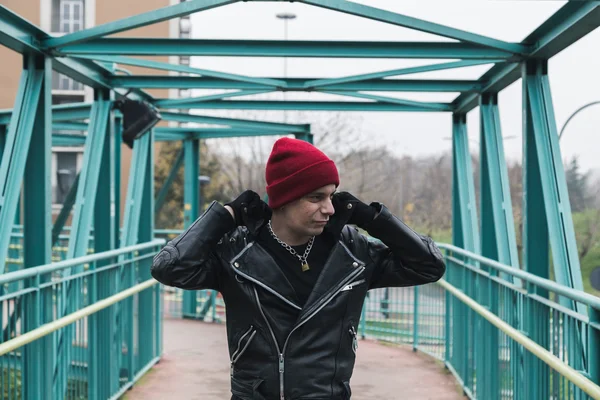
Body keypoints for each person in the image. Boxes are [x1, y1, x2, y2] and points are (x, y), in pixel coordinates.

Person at [151, 137, 446, 400]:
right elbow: (169, 268)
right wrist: (224, 215)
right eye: (316, 198)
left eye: (331, 196)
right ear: (283, 200)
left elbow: (429, 266)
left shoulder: (352, 251)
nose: (329, 208)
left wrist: (374, 219)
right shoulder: (238, 251)